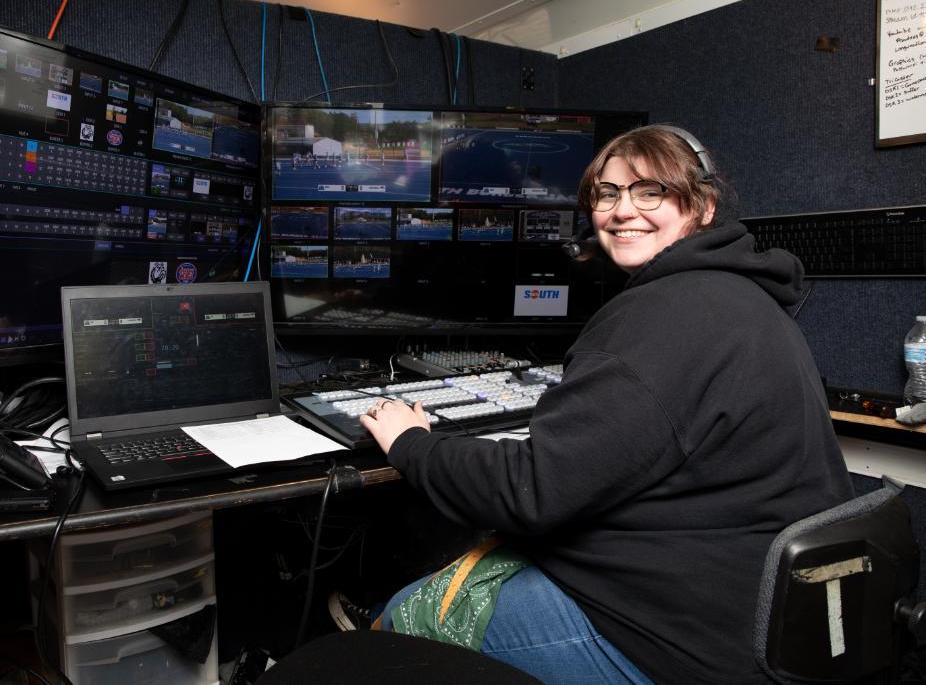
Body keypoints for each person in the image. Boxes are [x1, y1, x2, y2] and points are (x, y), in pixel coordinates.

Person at [341, 125, 853, 683]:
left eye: (649, 191)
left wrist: (413, 444)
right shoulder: (745, 296)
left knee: (402, 617)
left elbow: (528, 492)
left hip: (686, 640)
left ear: (702, 206)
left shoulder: (664, 316)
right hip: (762, 612)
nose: (622, 210)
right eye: (608, 194)